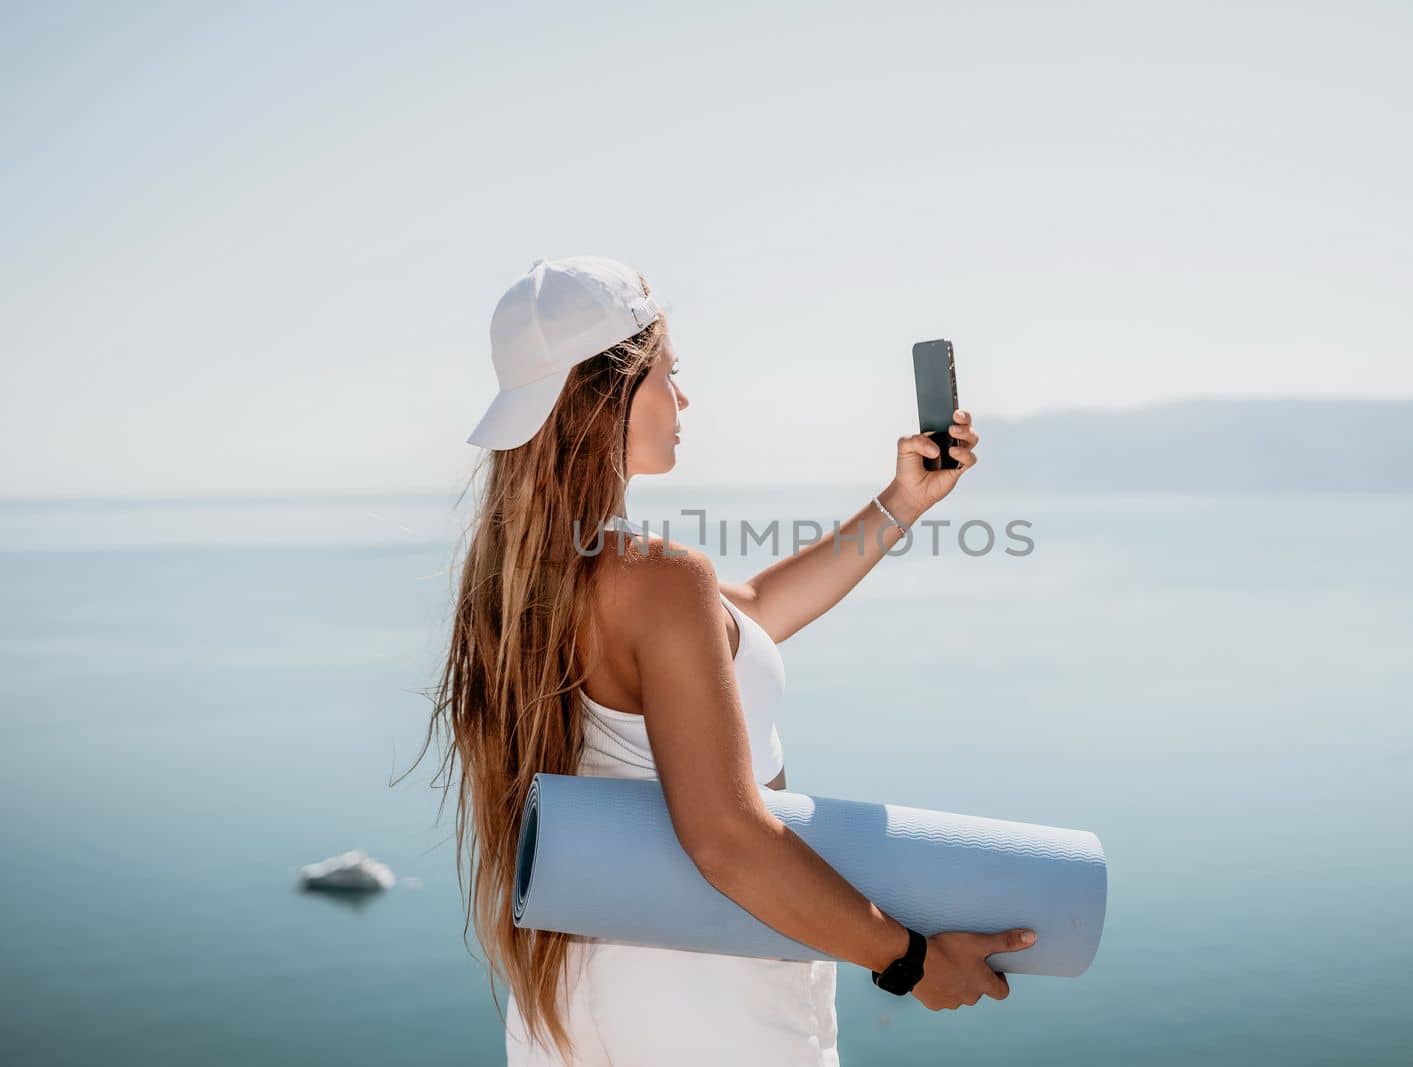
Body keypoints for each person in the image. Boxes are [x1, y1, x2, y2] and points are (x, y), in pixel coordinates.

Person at [419, 256, 1031, 1066]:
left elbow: (753, 616)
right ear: (605, 397)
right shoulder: (655, 580)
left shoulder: (530, 579)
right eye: (669, 375)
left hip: (572, 996)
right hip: (706, 1001)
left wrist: (902, 502)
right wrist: (911, 958)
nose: (683, 399)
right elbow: (726, 838)